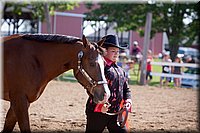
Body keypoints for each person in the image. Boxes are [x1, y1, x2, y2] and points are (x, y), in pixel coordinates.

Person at [85, 34, 132, 133]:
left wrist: (128, 100)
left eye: (118, 52)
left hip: (115, 113)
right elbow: (91, 88)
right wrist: (99, 106)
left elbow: (126, 89)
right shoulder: (100, 69)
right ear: (104, 51)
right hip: (97, 113)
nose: (116, 54)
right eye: (113, 51)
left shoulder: (120, 71)